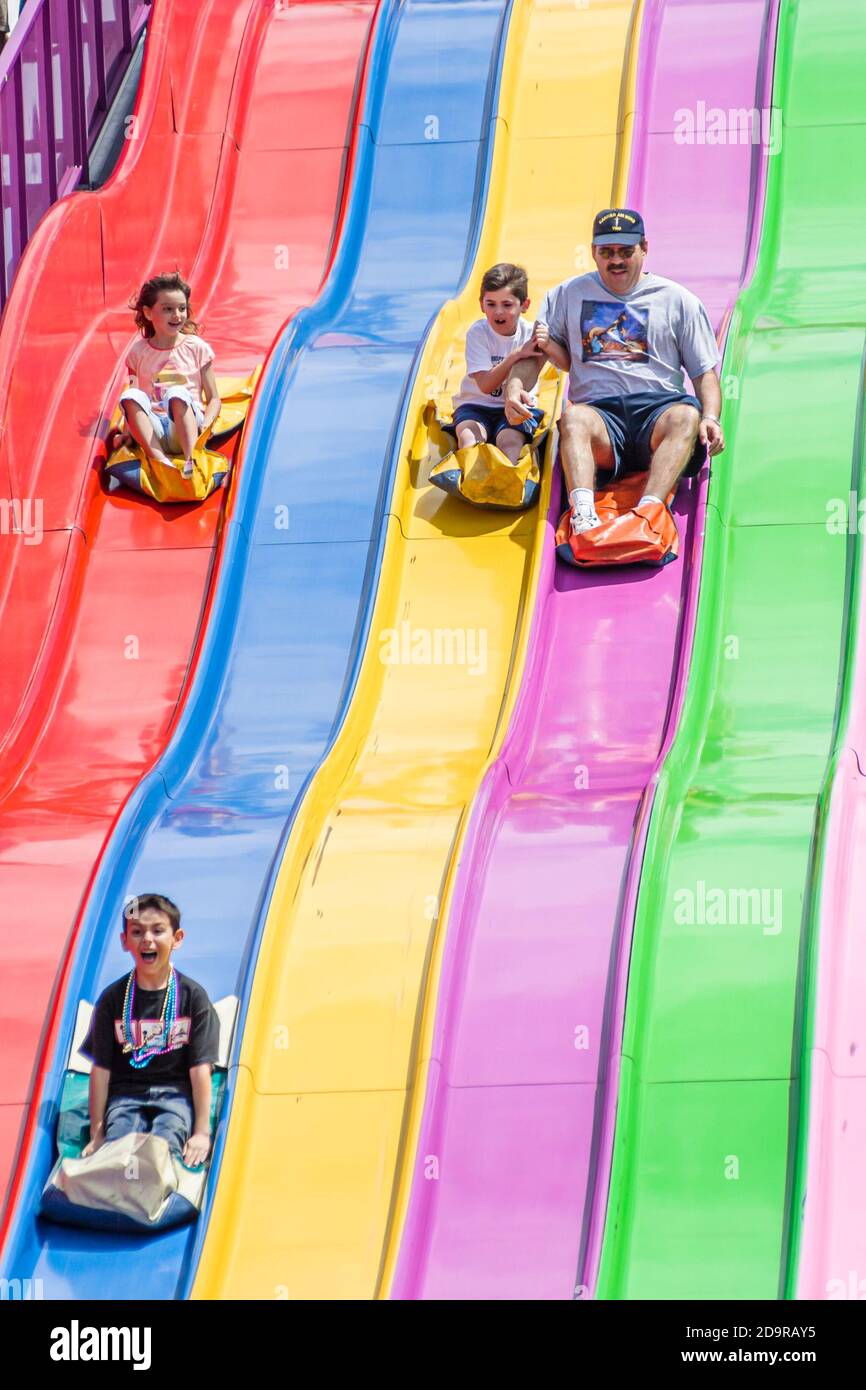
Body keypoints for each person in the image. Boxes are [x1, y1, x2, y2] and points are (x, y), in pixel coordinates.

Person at [504, 208, 724, 534]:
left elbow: (704, 373)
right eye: (607, 252)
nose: (616, 260)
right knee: (573, 418)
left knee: (686, 417)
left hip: (657, 415)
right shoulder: (566, 296)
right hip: (601, 419)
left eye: (626, 251)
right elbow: (533, 356)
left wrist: (711, 417)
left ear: (644, 249)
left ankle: (649, 512)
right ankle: (583, 513)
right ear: (593, 252)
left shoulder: (678, 301)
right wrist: (514, 386)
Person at [80, 894, 219, 1168]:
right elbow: (101, 1070)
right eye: (137, 932)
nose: (147, 939)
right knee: (120, 1151)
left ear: (177, 938)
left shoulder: (193, 997)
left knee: (163, 1149)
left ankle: (158, 1193)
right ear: (124, 941)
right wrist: (97, 1132)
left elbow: (200, 1069)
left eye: (158, 931)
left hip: (175, 1095)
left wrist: (202, 1133)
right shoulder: (112, 999)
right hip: (125, 1096)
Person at [115, 271, 221, 481]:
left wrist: (206, 425)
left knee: (176, 393)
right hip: (154, 431)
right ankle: (160, 460)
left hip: (186, 426)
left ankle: (192, 458)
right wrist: (127, 433)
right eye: (168, 309)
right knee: (129, 396)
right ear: (148, 313)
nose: (177, 315)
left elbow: (214, 398)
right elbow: (135, 399)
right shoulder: (138, 352)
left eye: (182, 308)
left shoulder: (197, 348)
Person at [450, 262, 546, 464]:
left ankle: (505, 482)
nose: (498, 312)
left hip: (515, 408)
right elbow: (486, 385)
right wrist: (515, 355)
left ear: (525, 305)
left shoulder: (530, 334)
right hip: (476, 405)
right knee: (469, 437)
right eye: (491, 304)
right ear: (481, 304)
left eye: (507, 305)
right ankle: (473, 479)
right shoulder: (479, 333)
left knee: (510, 441)